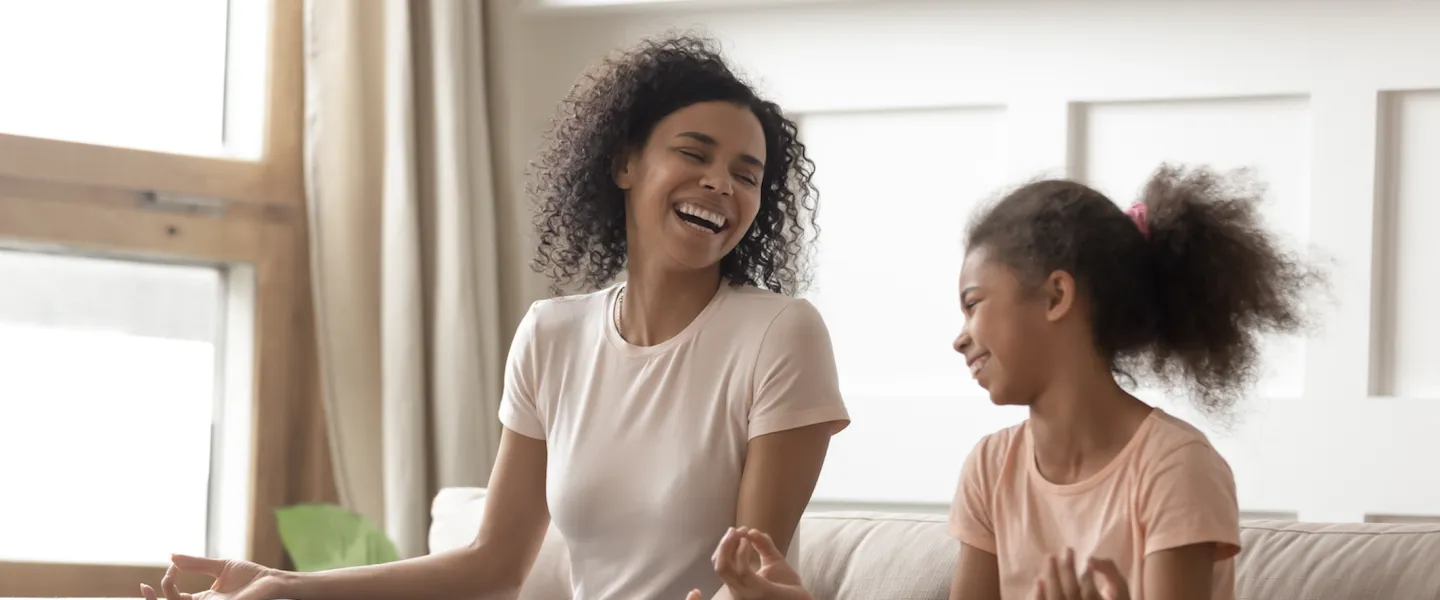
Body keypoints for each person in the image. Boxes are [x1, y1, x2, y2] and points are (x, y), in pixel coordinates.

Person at [140, 33, 849, 600]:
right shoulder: (552, 335)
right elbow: (493, 563)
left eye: (747, 175)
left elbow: (751, 575)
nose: (721, 183)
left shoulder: (780, 335)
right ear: (625, 164)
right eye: (694, 154)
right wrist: (286, 587)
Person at [699, 165, 1324, 600]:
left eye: (974, 303)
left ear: (1055, 296)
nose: (960, 337)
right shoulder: (991, 468)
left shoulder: (1176, 467)